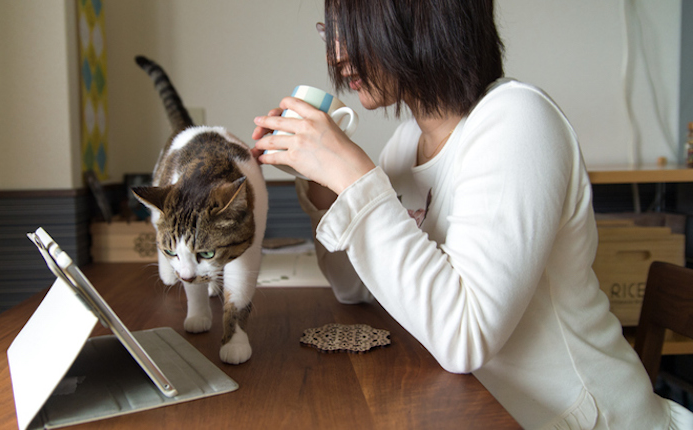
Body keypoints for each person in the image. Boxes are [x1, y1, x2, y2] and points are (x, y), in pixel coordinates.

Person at [251, 1, 693, 428]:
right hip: (478, 409)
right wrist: (326, 189)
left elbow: (465, 337)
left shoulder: (518, 121)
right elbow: (355, 288)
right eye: (332, 31)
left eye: (354, 24)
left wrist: (354, 179)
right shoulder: (405, 144)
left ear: (422, 14)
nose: (338, 54)